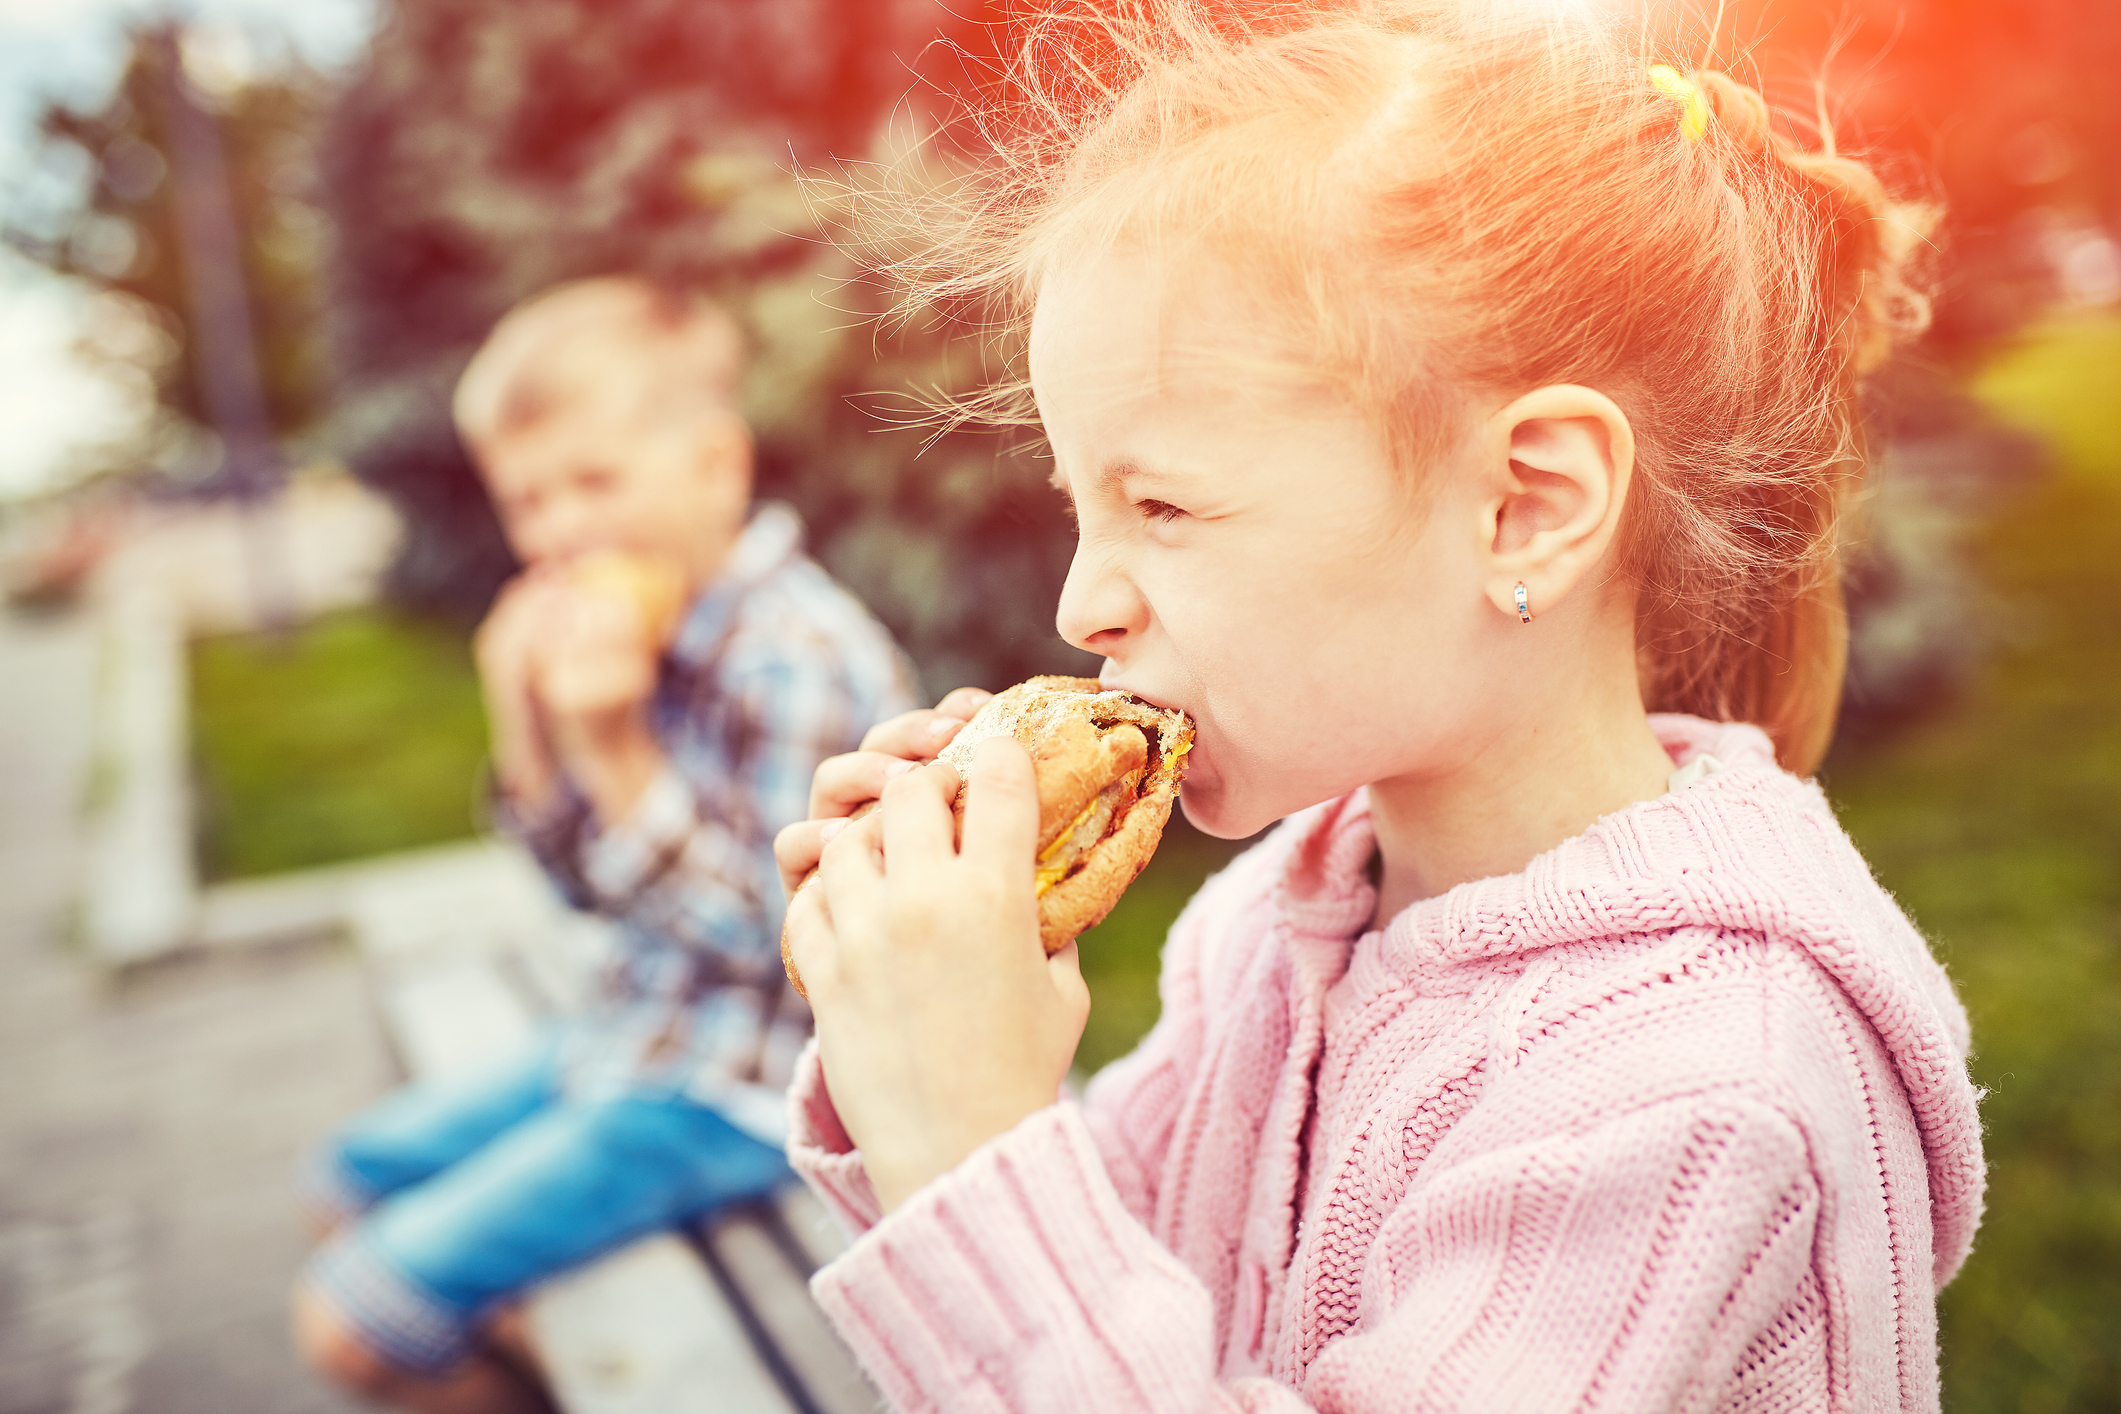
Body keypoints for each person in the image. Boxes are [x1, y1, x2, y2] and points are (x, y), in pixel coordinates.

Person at [774, 5, 1986, 1412]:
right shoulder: (1278, 924)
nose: (1080, 608)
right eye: (1082, 507)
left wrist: (967, 1146)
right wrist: (911, 1056)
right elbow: (1104, 1276)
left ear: (1525, 507)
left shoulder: (1700, 1088)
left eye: (1162, 503)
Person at [291, 275, 919, 1413]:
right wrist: (528, 734)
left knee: (348, 1323)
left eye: (594, 480)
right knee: (345, 1180)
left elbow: (792, 940)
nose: (560, 529)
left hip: (747, 1088)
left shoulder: (795, 654)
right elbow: (588, 899)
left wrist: (616, 748)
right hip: (636, 1028)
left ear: (715, 468)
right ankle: (527, 1334)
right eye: (528, 501)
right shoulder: (641, 628)